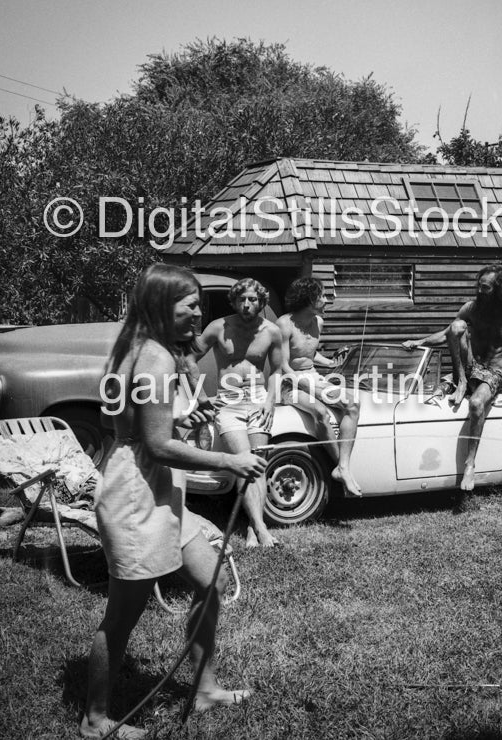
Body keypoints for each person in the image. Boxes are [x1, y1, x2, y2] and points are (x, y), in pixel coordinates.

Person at [81, 264, 265, 740]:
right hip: (137, 493)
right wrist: (230, 462)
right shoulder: (156, 358)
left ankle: (204, 690)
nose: (199, 315)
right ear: (164, 306)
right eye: (191, 306)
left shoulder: (135, 347)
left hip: (154, 484)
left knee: (212, 580)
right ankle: (95, 721)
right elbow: (156, 445)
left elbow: (136, 429)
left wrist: (184, 420)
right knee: (121, 618)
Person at [402, 265, 502, 491]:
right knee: (457, 325)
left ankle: (470, 464)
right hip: (468, 368)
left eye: (485, 288)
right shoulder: (471, 309)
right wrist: (418, 341)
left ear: (500, 291)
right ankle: (461, 382)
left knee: (477, 404)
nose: (479, 291)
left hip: (492, 373)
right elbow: (448, 332)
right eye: (478, 286)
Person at [192, 278, 283, 548]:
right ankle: (261, 528)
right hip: (229, 404)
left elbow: (278, 370)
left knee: (258, 465)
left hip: (258, 402)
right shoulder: (218, 327)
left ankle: (255, 528)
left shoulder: (271, 331)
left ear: (261, 302)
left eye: (252, 299)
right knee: (245, 462)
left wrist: (270, 402)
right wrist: (201, 398)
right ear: (233, 301)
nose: (246, 304)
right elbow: (186, 360)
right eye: (241, 299)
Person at [276, 278, 361, 497]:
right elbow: (283, 364)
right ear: (308, 298)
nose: (326, 299)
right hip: (289, 383)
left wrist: (331, 363)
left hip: (312, 377)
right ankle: (342, 469)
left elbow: (310, 354)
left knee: (352, 405)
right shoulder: (284, 324)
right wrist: (305, 384)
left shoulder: (318, 322)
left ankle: (343, 467)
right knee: (321, 412)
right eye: (322, 295)